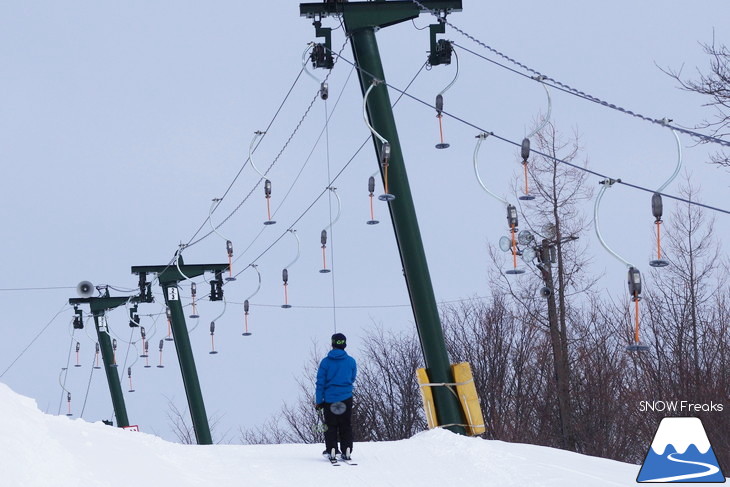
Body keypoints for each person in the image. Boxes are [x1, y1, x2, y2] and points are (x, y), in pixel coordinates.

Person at [315, 332, 357, 461]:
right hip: (346, 398)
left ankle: (332, 448)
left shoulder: (325, 362)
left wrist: (318, 401)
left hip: (330, 399)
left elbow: (320, 383)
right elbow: (352, 378)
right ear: (345, 344)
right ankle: (347, 449)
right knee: (345, 424)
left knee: (331, 425)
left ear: (332, 343)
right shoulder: (351, 361)